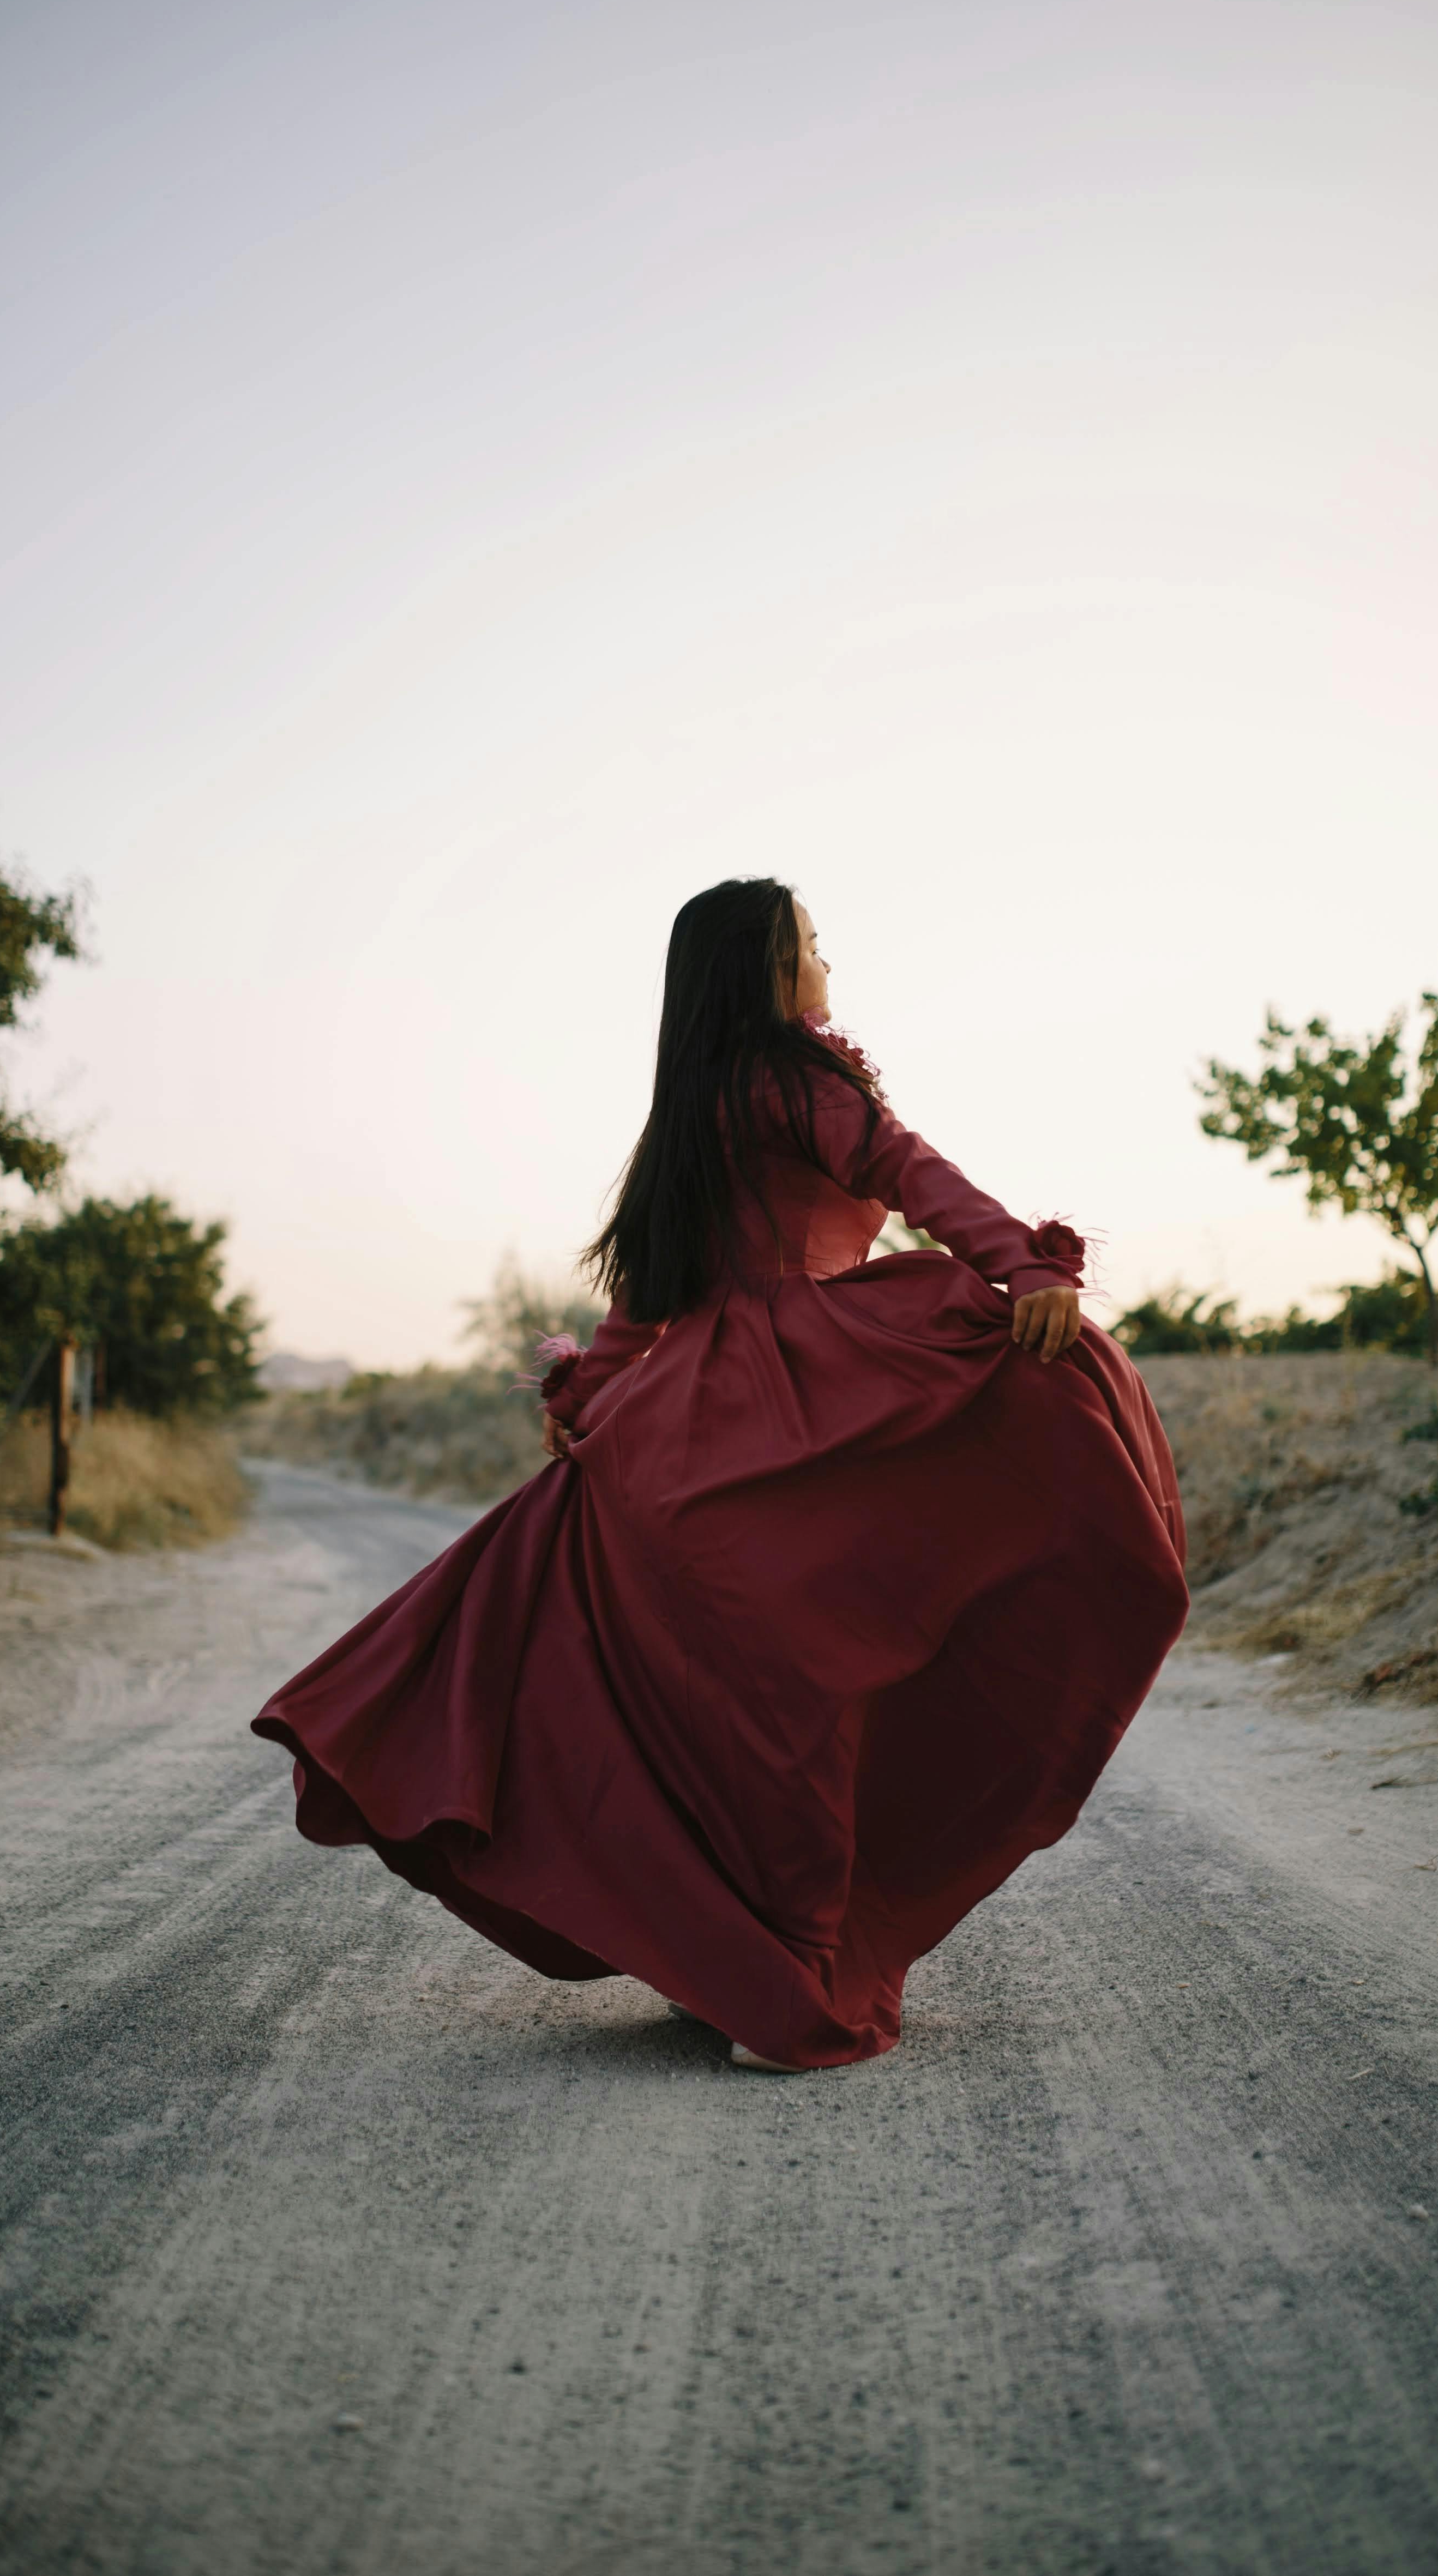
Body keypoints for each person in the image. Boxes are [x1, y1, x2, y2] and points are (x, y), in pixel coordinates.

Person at [251, 879, 1187, 2072]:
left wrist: (588, 1400)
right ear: (763, 972)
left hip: (685, 1424)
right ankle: (787, 1976)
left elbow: (647, 1295)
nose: (827, 965)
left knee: (714, 1695)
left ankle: (749, 1951)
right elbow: (910, 1172)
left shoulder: (688, 1111)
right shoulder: (801, 1080)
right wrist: (1024, 1268)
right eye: (810, 945)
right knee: (797, 1696)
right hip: (796, 1405)